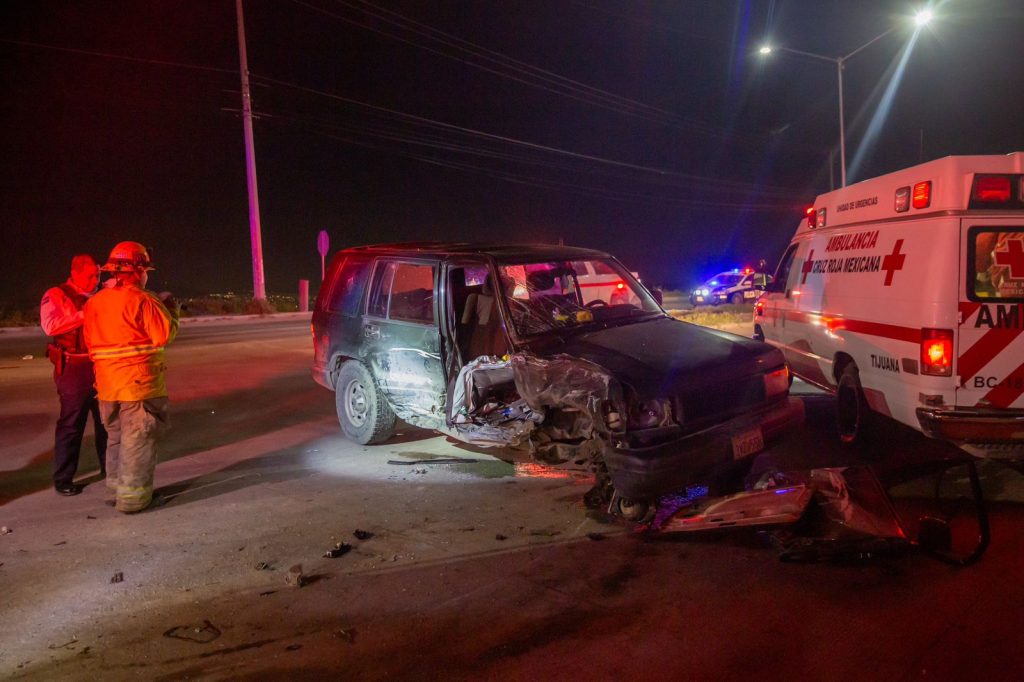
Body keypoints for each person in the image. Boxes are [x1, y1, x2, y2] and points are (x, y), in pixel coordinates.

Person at [83, 242, 178, 513]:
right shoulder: (143, 299)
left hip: (107, 386)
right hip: (139, 386)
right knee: (139, 440)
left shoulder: (94, 303)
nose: (146, 274)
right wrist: (171, 310)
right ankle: (133, 500)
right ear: (137, 272)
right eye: (145, 269)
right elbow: (163, 335)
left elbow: (91, 341)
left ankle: (115, 491)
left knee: (116, 439)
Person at [40, 254, 109, 496]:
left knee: (106, 422)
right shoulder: (57, 294)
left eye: (98, 275)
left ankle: (109, 468)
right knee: (71, 424)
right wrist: (85, 312)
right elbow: (51, 326)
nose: (96, 279)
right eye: (91, 275)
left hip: (100, 365)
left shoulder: (103, 293)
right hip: (74, 368)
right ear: (75, 272)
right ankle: (64, 478)